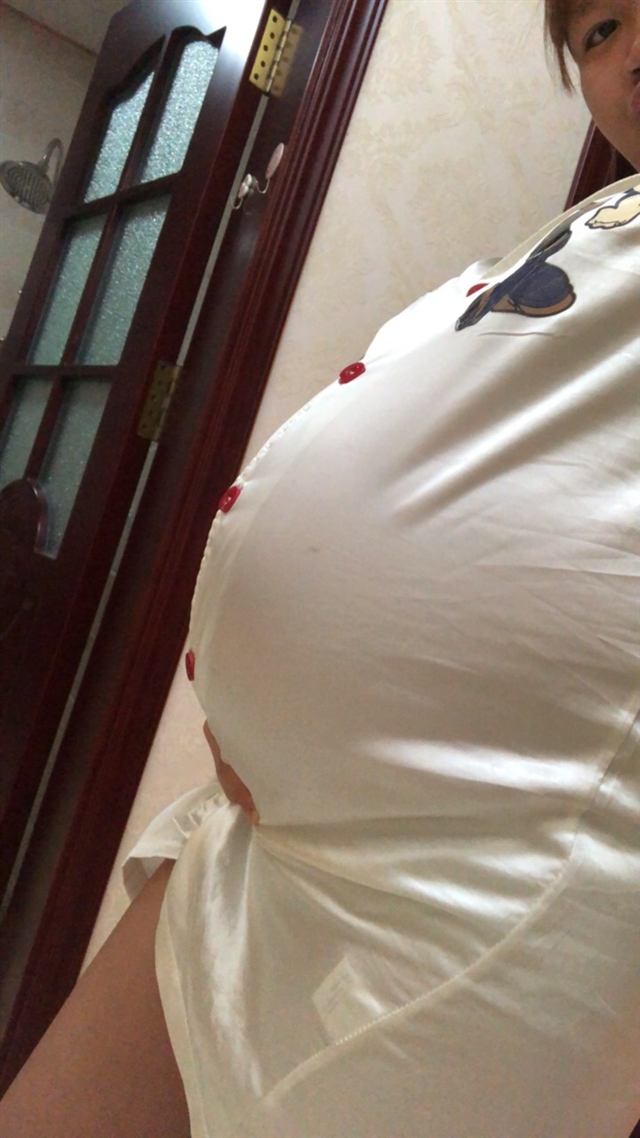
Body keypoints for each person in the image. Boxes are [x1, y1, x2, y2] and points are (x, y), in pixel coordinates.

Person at [2, 1, 638, 1135]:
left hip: (462, 921)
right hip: (261, 832)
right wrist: (286, 710)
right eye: (598, 30)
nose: (631, 50)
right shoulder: (588, 229)